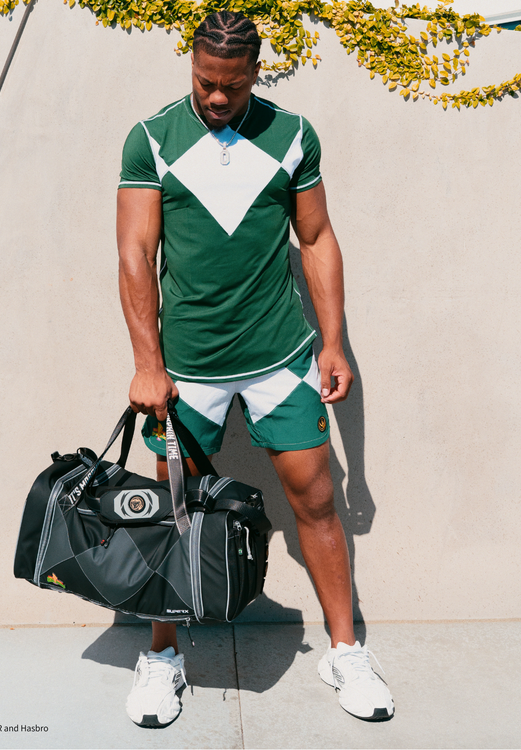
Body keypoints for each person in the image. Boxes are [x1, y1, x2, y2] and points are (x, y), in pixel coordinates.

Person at [116, 10, 394, 727]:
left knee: (318, 500)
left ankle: (345, 651)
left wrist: (333, 343)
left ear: (254, 74)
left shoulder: (292, 134)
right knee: (174, 513)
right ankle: (162, 657)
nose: (216, 97)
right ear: (191, 65)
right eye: (205, 82)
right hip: (188, 371)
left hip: (281, 359)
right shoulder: (151, 138)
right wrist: (147, 364)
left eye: (232, 87)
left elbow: (317, 237)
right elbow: (134, 253)